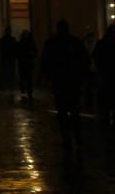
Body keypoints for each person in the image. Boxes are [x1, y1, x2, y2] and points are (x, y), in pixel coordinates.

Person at [40, 19, 89, 154]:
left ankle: (67, 139)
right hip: (72, 83)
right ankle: (77, 138)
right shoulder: (75, 43)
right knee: (74, 112)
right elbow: (85, 61)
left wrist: (48, 78)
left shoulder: (52, 44)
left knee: (63, 113)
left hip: (60, 83)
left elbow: (45, 62)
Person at [93, 22, 115, 131]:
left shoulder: (101, 44)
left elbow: (96, 57)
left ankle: (105, 121)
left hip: (104, 76)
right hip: (108, 76)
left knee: (104, 102)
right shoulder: (103, 44)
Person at [16, 29, 37, 102]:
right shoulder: (26, 43)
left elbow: (35, 52)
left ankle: (27, 92)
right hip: (25, 63)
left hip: (26, 63)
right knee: (24, 78)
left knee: (27, 79)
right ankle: (25, 92)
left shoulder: (26, 43)